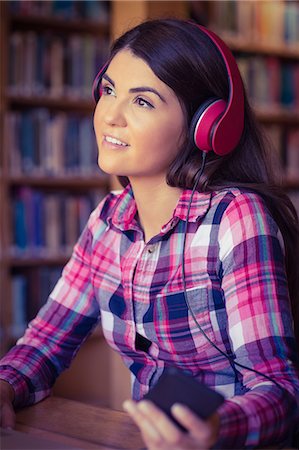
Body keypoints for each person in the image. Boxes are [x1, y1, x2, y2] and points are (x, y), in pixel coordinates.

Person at [1, 18, 299, 449]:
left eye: (142, 102)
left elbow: (280, 390)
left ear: (207, 125)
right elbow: (46, 341)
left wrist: (216, 430)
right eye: (108, 91)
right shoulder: (108, 221)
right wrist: (6, 385)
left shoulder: (235, 218)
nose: (111, 116)